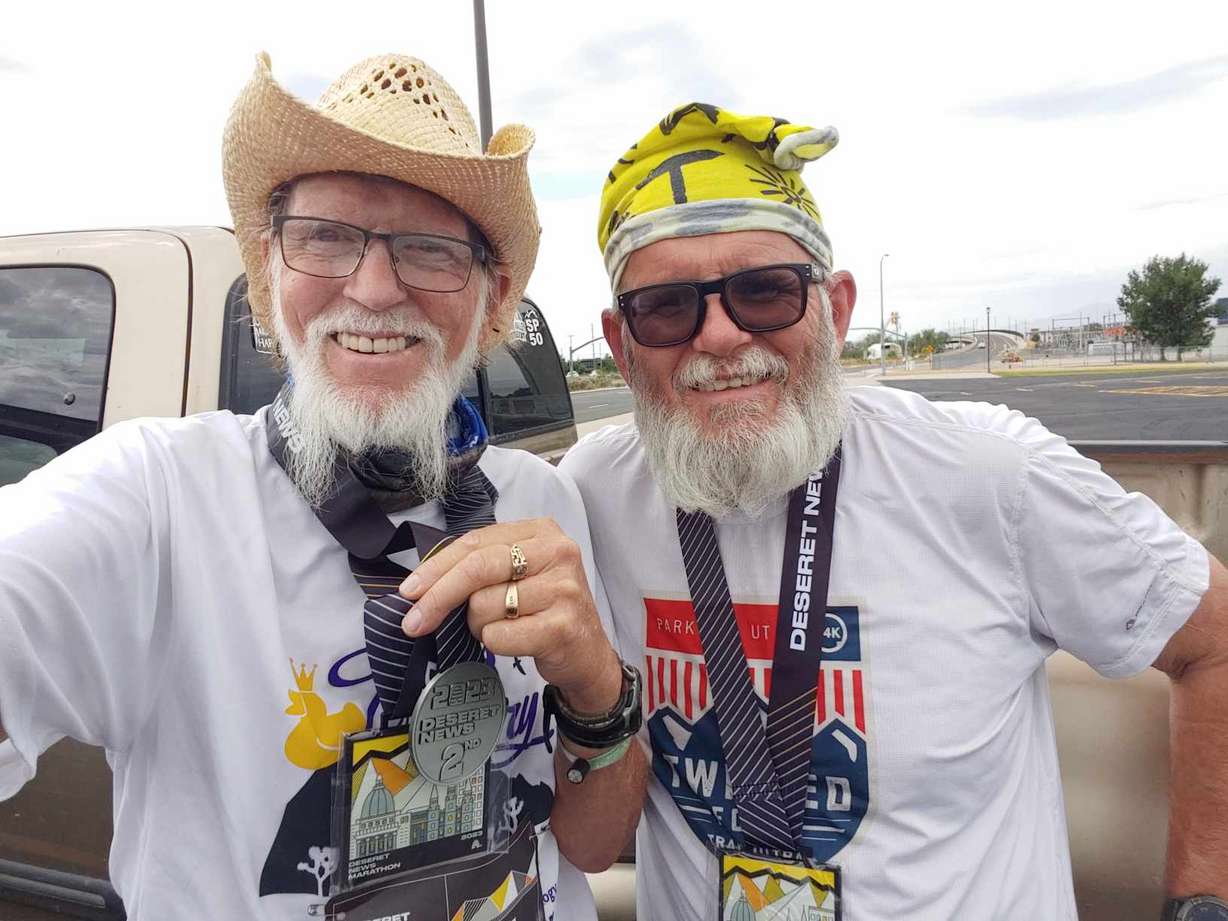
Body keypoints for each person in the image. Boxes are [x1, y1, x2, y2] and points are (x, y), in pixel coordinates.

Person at [0, 53, 644, 920]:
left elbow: (594, 846)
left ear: (490, 302)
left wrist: (597, 686)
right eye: (326, 236)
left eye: (430, 249)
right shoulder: (157, 497)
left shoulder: (542, 500)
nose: (375, 289)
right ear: (270, 273)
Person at [560, 102, 1228, 920]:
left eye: (765, 291)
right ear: (622, 345)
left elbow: (1215, 642)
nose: (723, 336)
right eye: (666, 307)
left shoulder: (987, 474)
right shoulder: (592, 491)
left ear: (835, 310)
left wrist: (1202, 902)